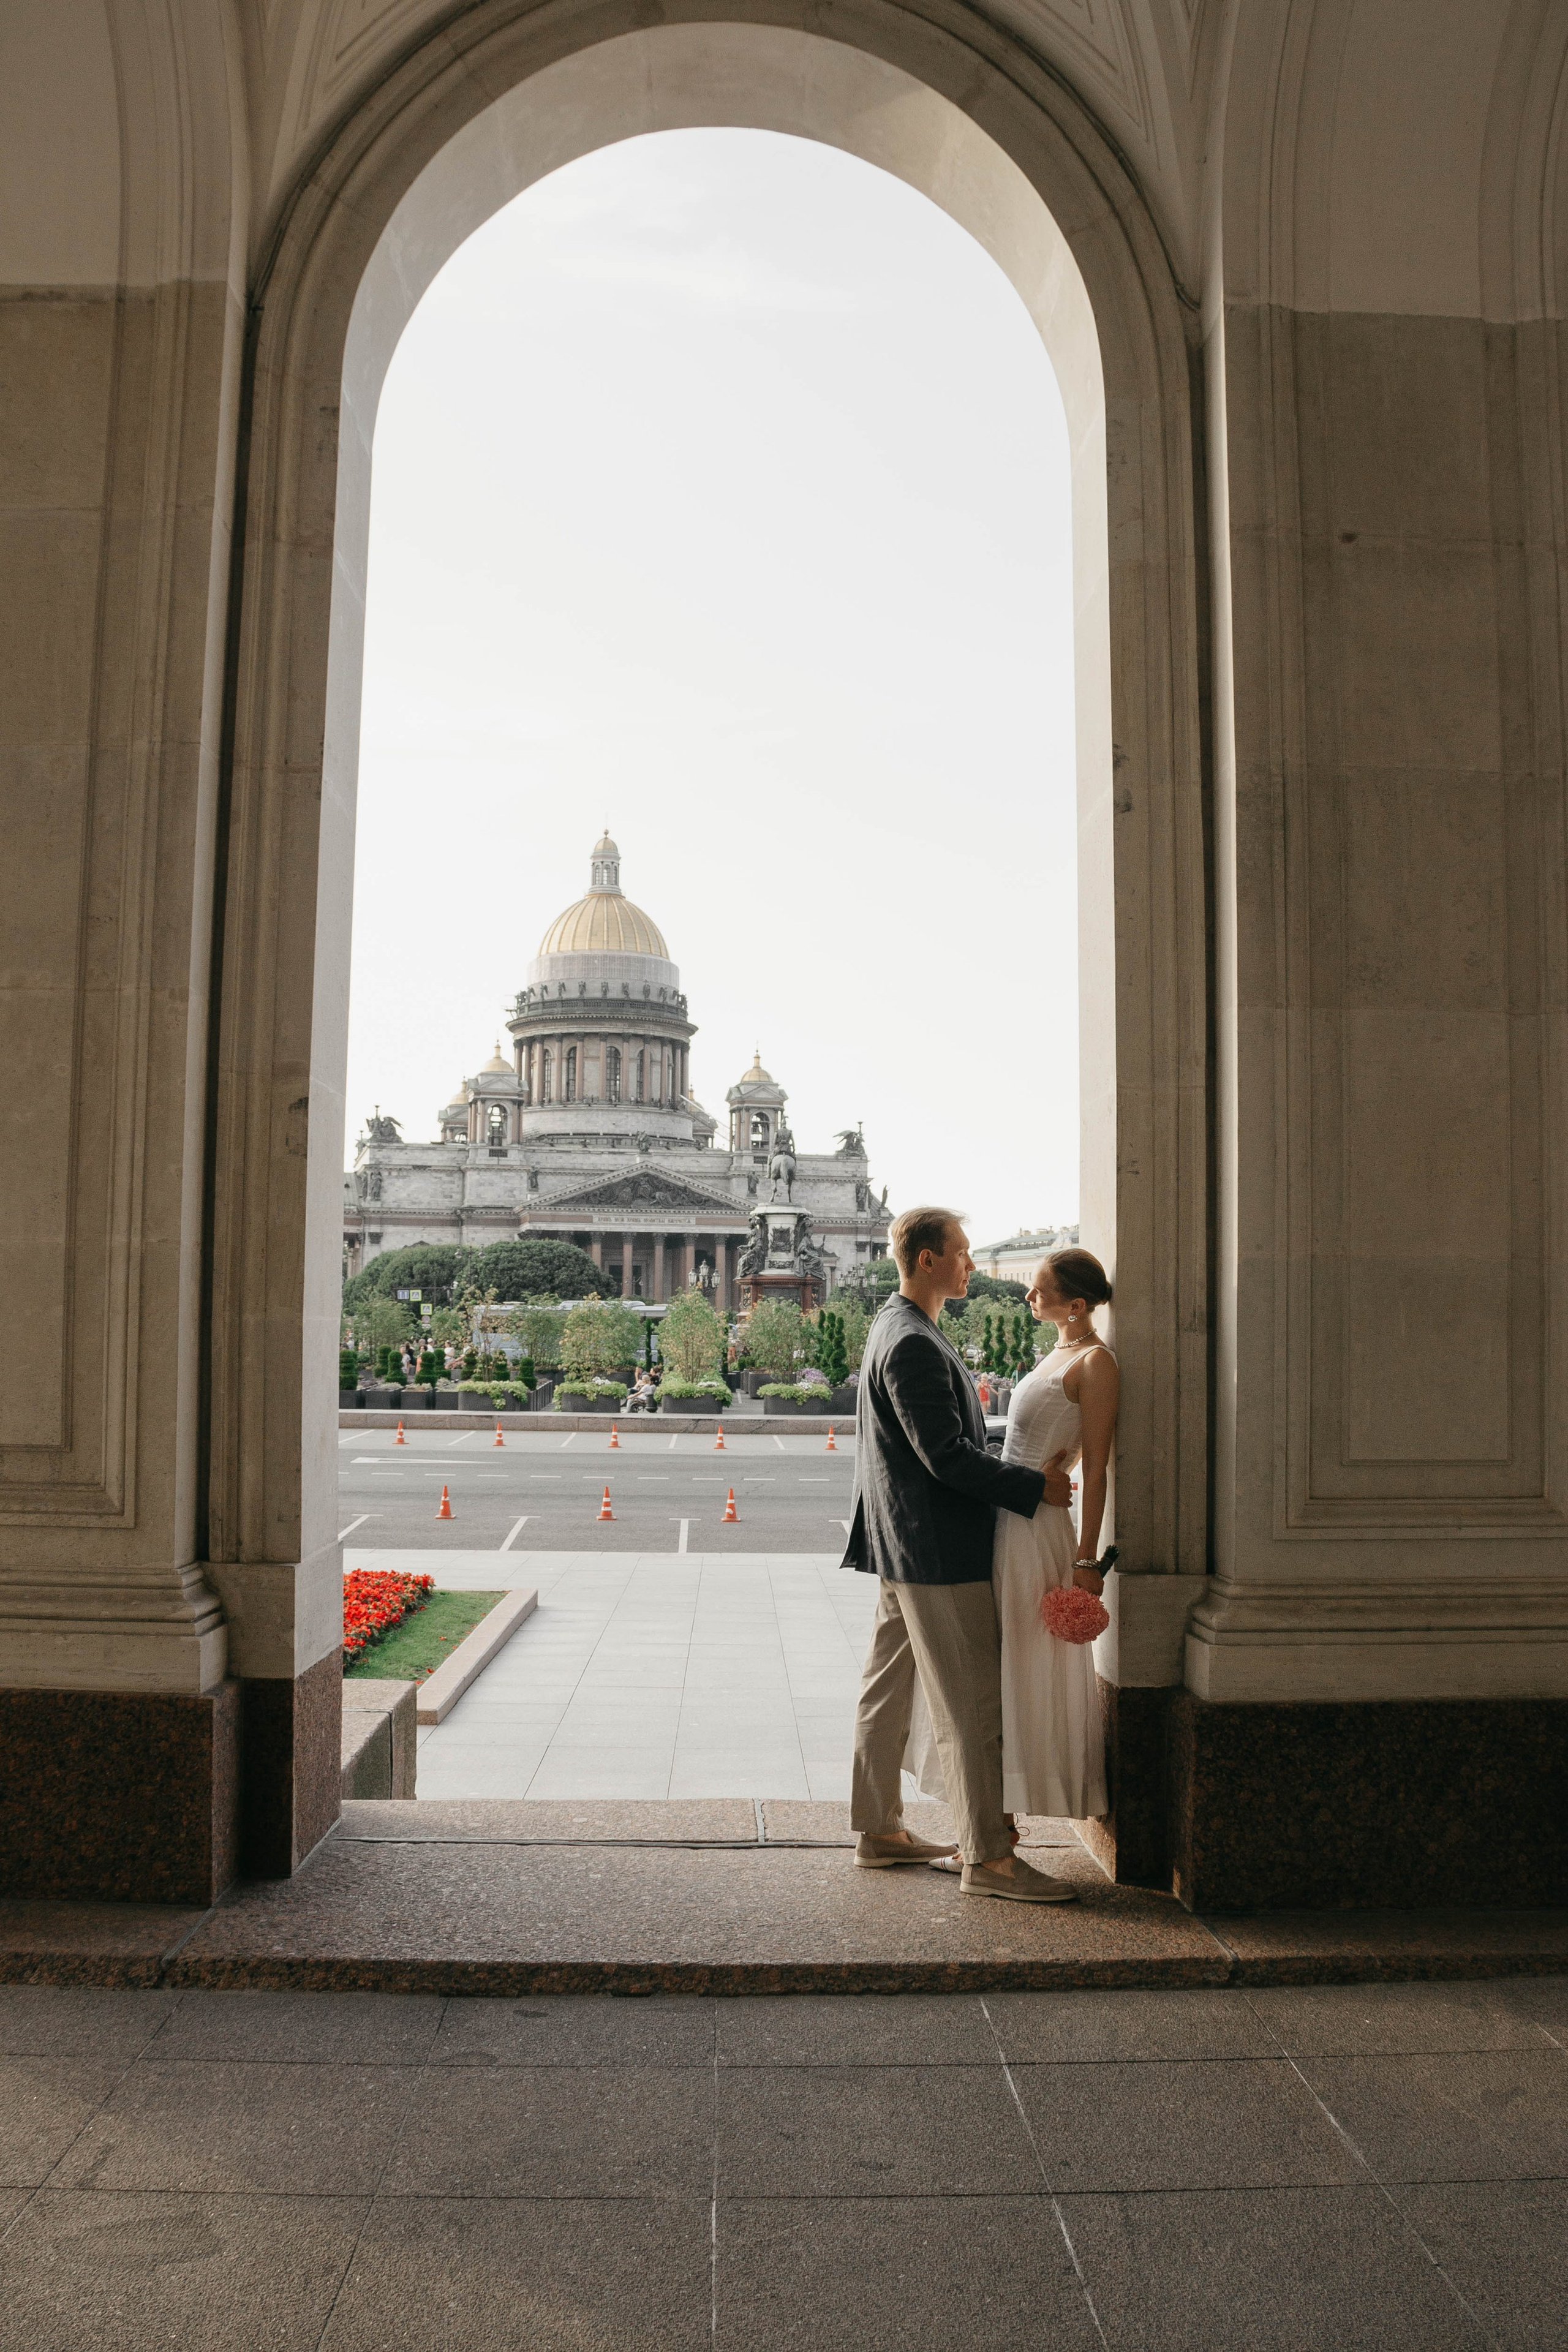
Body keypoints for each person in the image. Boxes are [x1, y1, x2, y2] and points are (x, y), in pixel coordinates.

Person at [845, 1207, 1080, 1902]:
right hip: (936, 1548)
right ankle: (989, 1860)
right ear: (926, 1260)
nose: (971, 1265)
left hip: (902, 1543)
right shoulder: (913, 1341)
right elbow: (943, 1457)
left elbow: (937, 1442)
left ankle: (878, 1832)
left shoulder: (895, 1325)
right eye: (963, 1253)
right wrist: (1032, 1485)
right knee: (972, 1707)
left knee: (885, 1692)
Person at [906, 1246, 1116, 1828]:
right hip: (1007, 1516)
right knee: (995, 1661)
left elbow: (1096, 1469)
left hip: (1038, 1531)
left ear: (1075, 1305)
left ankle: (1001, 1825)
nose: (1028, 1295)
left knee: (1020, 1662)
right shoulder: (1060, 1353)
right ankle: (990, 1820)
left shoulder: (1096, 1363)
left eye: (1040, 1289)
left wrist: (1086, 1560)